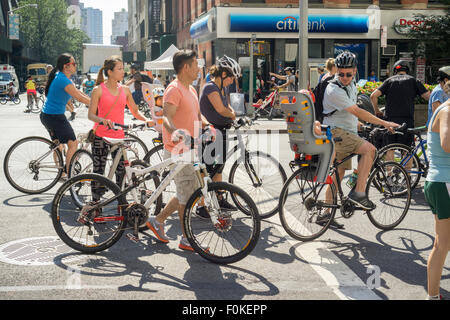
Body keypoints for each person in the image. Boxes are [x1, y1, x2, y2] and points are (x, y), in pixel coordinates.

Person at [320, 51, 400, 228]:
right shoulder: (333, 89)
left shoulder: (351, 85)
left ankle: (325, 213)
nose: (345, 77)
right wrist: (384, 123)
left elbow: (346, 113)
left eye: (349, 74)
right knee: (370, 150)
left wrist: (361, 125)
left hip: (345, 131)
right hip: (337, 133)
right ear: (336, 71)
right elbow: (356, 110)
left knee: (339, 173)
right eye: (341, 73)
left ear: (355, 71)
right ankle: (359, 193)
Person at [145, 50, 210, 252]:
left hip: (191, 149)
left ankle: (158, 220)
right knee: (186, 194)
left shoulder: (191, 89)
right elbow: (166, 118)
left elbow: (198, 117)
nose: (198, 69)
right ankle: (186, 238)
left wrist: (209, 127)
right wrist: (176, 132)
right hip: (177, 149)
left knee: (189, 191)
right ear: (185, 67)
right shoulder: (174, 89)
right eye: (195, 65)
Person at [88, 56, 154, 195]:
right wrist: (102, 121)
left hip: (119, 138)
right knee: (98, 173)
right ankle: (95, 205)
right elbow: (91, 115)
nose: (123, 71)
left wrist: (146, 120)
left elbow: (135, 111)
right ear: (110, 72)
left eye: (123, 68)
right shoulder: (98, 90)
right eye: (119, 69)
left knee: (121, 174)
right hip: (101, 137)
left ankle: (121, 205)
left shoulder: (125, 90)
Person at [198, 55, 242, 216]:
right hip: (212, 133)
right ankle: (201, 205)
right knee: (208, 169)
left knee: (218, 168)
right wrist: (233, 115)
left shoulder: (221, 87)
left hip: (221, 131)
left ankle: (220, 198)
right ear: (223, 75)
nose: (232, 81)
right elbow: (220, 109)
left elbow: (227, 105)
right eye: (231, 78)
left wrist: (232, 113)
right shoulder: (210, 87)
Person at [40, 53, 90, 175]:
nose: (75, 66)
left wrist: (94, 100)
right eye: (74, 63)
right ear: (66, 66)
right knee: (73, 143)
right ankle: (69, 175)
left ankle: (61, 173)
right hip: (54, 116)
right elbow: (78, 97)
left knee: (59, 146)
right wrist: (98, 104)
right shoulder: (62, 80)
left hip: (48, 115)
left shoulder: (63, 78)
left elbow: (79, 92)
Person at [370, 60, 431, 151]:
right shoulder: (413, 81)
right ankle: (406, 165)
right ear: (408, 70)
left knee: (389, 149)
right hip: (407, 121)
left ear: (395, 70)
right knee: (407, 151)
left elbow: (373, 96)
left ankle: (389, 165)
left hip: (389, 121)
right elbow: (429, 97)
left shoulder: (389, 81)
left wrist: (377, 111)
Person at [424, 90, 450, 300]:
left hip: (438, 181)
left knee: (441, 243)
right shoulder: (448, 110)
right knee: (442, 244)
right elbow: (446, 143)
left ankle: (433, 296)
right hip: (445, 182)